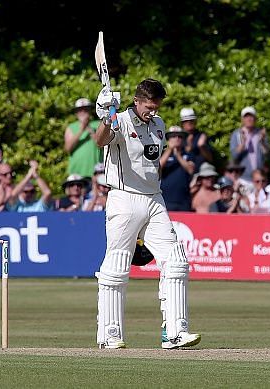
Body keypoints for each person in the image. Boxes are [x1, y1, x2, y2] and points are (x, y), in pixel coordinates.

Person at [94, 78, 200, 349]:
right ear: (137, 100)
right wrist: (107, 118)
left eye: (156, 106)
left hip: (154, 198)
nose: (152, 111)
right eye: (148, 106)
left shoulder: (159, 125)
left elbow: (153, 162)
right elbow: (100, 141)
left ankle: (175, 332)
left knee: (176, 261)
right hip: (123, 197)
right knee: (117, 265)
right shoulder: (121, 120)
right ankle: (110, 334)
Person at [229, 106, 270, 181]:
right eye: (246, 117)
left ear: (255, 118)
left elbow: (268, 155)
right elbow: (234, 156)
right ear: (242, 119)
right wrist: (243, 144)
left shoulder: (261, 133)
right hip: (243, 178)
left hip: (259, 178)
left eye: (251, 116)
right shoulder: (236, 134)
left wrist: (262, 142)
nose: (249, 119)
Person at [64, 98, 102, 179]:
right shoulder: (71, 127)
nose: (83, 112)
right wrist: (81, 129)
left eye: (86, 109)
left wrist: (89, 128)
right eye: (80, 110)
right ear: (76, 113)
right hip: (76, 174)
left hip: (97, 173)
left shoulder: (98, 124)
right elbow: (68, 148)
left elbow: (101, 144)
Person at [160, 126, 195, 211]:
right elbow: (158, 167)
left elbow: (191, 170)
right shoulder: (162, 153)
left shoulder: (188, 154)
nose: (177, 138)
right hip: (165, 199)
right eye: (173, 136)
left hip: (183, 200)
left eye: (180, 136)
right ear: (168, 140)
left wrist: (178, 155)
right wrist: (170, 150)